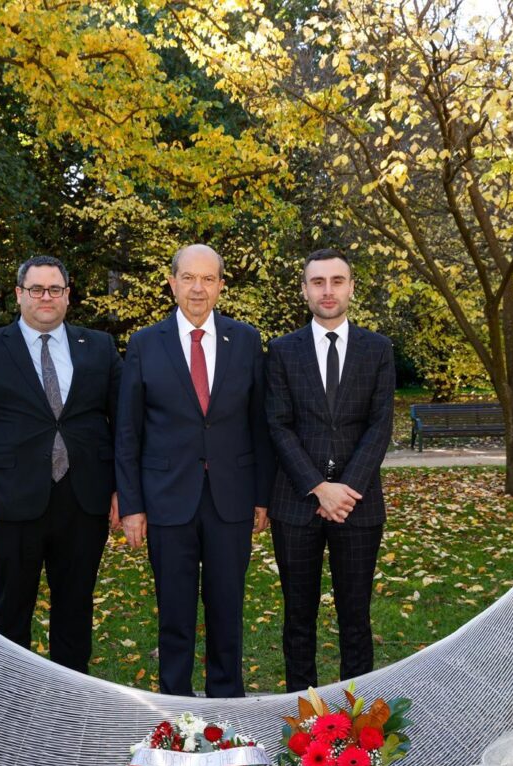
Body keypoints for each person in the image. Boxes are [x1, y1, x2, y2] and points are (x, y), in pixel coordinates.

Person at [116, 243, 275, 698]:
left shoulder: (244, 340)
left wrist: (261, 496)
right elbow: (128, 431)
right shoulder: (146, 343)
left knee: (228, 609)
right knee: (175, 613)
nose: (198, 288)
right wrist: (132, 506)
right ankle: (174, 705)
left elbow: (258, 424)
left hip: (231, 498)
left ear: (222, 285)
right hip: (167, 499)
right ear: (172, 282)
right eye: (188, 278)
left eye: (208, 279)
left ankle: (228, 702)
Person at [0, 256, 122, 673]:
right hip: (10, 502)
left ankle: (71, 704)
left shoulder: (98, 346)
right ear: (19, 295)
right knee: (10, 610)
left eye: (55, 290)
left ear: (67, 294)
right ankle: (14, 702)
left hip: (84, 500)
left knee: (76, 606)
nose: (46, 297)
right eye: (37, 289)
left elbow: (123, 423)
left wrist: (123, 489)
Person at [264, 248, 395, 692]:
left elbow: (380, 426)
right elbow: (277, 425)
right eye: (317, 282)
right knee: (298, 616)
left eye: (337, 281)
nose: (327, 290)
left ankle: (356, 720)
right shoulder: (282, 351)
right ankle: (304, 714)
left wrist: (345, 490)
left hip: (358, 506)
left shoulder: (377, 350)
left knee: (355, 616)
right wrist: (319, 487)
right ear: (304, 290)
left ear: (351, 288)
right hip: (297, 504)